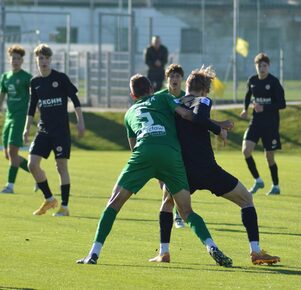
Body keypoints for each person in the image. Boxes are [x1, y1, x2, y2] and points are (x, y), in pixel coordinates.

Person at [77, 74, 233, 267]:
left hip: (144, 153)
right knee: (186, 211)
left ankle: (93, 253)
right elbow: (187, 115)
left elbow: (133, 147)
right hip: (171, 155)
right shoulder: (163, 97)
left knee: (114, 202)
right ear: (151, 88)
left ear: (133, 95)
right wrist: (217, 126)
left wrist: (148, 170)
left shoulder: (129, 113)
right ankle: (211, 245)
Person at [149, 66, 280, 266]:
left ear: (187, 85)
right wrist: (218, 128)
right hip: (207, 170)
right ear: (205, 90)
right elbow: (200, 118)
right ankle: (255, 251)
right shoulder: (203, 100)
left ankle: (164, 252)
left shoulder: (176, 104)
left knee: (166, 204)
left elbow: (193, 119)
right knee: (246, 199)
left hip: (182, 171)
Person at [23, 43, 85, 216]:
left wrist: (81, 121)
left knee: (61, 167)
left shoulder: (61, 78)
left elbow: (75, 99)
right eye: (40, 58)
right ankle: (50, 199)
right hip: (43, 130)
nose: (44, 61)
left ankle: (64, 207)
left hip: (61, 131)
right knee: (32, 164)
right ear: (36, 60)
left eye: (46, 58)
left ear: (51, 60)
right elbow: (31, 107)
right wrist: (26, 129)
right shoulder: (35, 82)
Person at [240, 53, 286, 196]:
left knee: (269, 156)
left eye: (264, 65)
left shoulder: (274, 82)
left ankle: (276, 186)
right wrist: (245, 109)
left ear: (268, 66)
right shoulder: (252, 80)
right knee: (246, 150)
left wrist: (264, 108)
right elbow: (248, 95)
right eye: (259, 65)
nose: (262, 68)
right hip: (255, 122)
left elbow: (282, 104)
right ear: (256, 66)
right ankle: (258, 180)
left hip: (270, 124)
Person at [156, 63, 186, 228]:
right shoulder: (159, 97)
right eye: (171, 76)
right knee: (163, 183)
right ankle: (170, 212)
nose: (174, 79)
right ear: (167, 79)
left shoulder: (186, 97)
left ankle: (176, 215)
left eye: (177, 76)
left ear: (182, 79)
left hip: (180, 144)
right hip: (162, 144)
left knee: (174, 181)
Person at [0, 45, 32, 194]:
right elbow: (2, 96)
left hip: (20, 118)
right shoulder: (5, 77)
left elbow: (34, 96)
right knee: (8, 155)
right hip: (8, 118)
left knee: (13, 153)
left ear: (22, 60)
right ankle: (38, 174)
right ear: (9, 59)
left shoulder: (26, 78)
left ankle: (10, 186)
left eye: (18, 58)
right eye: (13, 58)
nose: (15, 60)